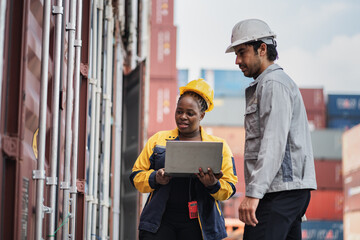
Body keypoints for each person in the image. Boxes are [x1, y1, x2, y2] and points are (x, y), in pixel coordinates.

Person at [225, 19, 317, 240]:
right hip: (285, 191)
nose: (237, 60)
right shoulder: (269, 84)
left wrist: (254, 193)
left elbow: (273, 143)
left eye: (242, 52)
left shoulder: (274, 84)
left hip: (278, 192)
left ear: (262, 49)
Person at [130, 79, 238, 240]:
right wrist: (155, 178)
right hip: (160, 223)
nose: (183, 117)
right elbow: (136, 176)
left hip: (200, 227)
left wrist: (213, 185)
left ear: (202, 115)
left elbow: (229, 188)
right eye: (179, 111)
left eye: (190, 113)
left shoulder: (220, 146)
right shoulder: (158, 140)